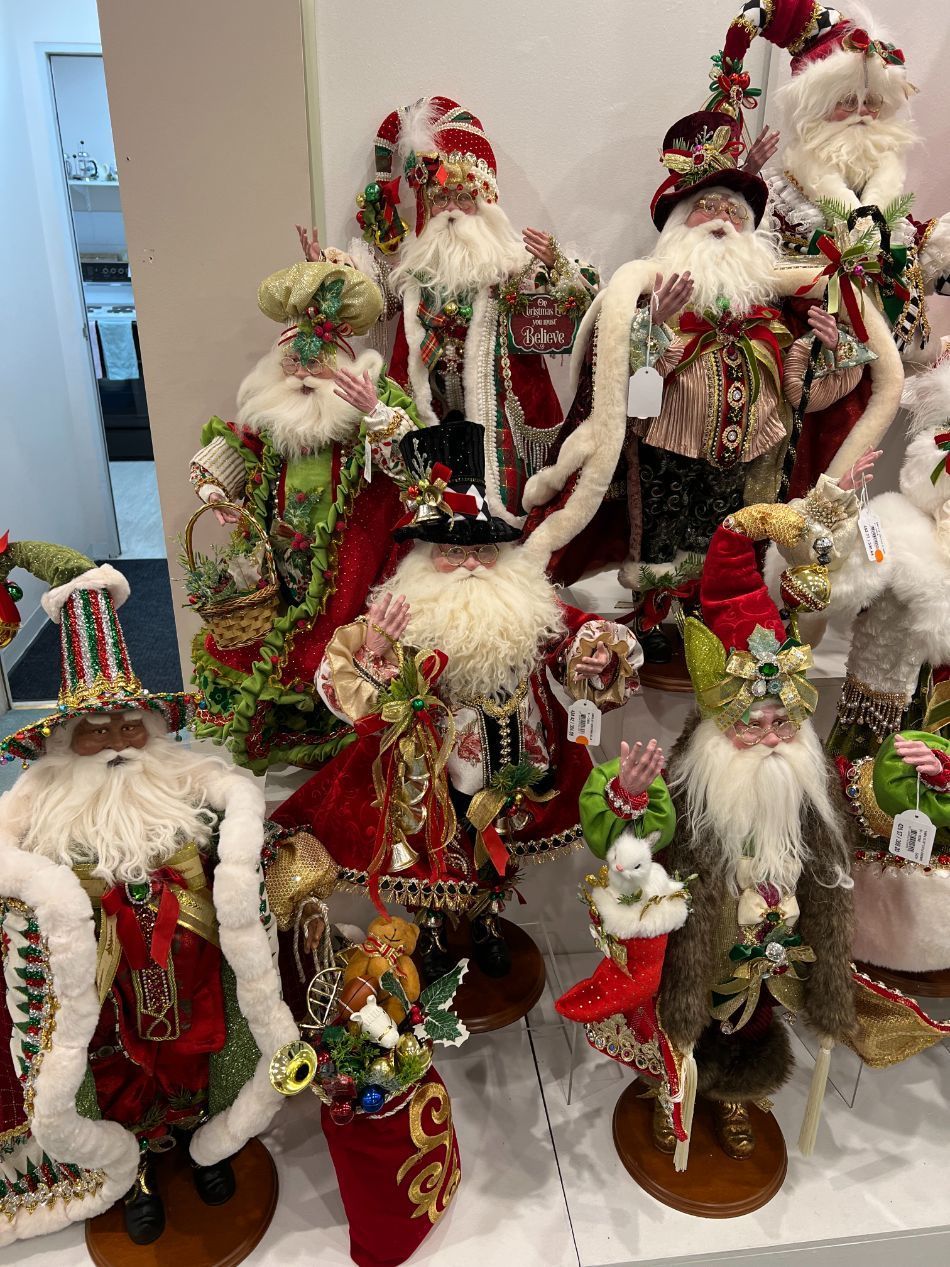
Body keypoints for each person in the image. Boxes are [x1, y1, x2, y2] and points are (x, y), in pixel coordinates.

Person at [270, 418, 642, 981]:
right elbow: (345, 688)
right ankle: (433, 930)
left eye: (484, 550)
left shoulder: (526, 599)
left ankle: (487, 922)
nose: (470, 563)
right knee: (433, 849)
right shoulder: (404, 609)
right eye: (451, 550)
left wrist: (596, 657)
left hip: (517, 756)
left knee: (501, 844)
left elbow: (573, 635)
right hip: (435, 768)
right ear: (424, 555)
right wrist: (375, 651)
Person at [0, 553, 297, 1245]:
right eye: (96, 730)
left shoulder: (179, 780)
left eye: (128, 725)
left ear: (153, 730)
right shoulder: (43, 807)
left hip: (196, 971)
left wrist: (244, 841)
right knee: (114, 1071)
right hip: (105, 986)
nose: (116, 744)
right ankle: (131, 1168)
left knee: (200, 1053)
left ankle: (204, 1138)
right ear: (66, 742)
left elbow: (234, 810)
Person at [522, 109, 888, 659]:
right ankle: (655, 613)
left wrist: (829, 353)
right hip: (666, 445)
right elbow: (614, 381)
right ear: (678, 223)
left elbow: (801, 395)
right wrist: (653, 326)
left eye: (735, 212)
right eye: (707, 208)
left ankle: (714, 613)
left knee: (726, 537)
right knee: (662, 533)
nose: (722, 219)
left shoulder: (769, 312)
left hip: (748, 453)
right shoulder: (652, 294)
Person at [655, 503, 857, 1158]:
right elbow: (646, 852)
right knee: (682, 1014)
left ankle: (737, 1095)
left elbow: (834, 867)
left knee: (755, 1018)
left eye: (783, 723)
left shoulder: (809, 783)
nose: (773, 739)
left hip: (772, 947)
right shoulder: (690, 786)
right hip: (701, 945)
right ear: (720, 725)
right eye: (754, 724)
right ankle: (672, 1091)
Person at [188, 254, 424, 771]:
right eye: (293, 362)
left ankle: (345, 732)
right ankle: (293, 730)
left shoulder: (372, 400)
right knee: (280, 635)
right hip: (281, 556)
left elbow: (413, 468)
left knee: (340, 633)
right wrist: (215, 491)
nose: (302, 374)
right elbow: (238, 448)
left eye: (315, 363)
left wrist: (374, 412)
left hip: (355, 554)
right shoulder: (273, 413)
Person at [708, 0, 950, 490]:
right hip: (799, 359)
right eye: (847, 101)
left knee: (863, 471)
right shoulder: (783, 192)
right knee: (791, 470)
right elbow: (751, 265)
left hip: (877, 362)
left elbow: (910, 254)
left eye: (872, 103)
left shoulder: (886, 196)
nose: (862, 114)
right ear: (817, 108)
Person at [343, 95, 599, 518]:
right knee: (432, 508)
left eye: (464, 198)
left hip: (499, 420)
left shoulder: (511, 266)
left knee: (502, 507)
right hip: (429, 415)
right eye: (441, 198)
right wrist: (334, 275)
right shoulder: (414, 272)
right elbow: (372, 302)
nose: (452, 211)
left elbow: (585, 307)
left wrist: (558, 266)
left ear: (485, 205)